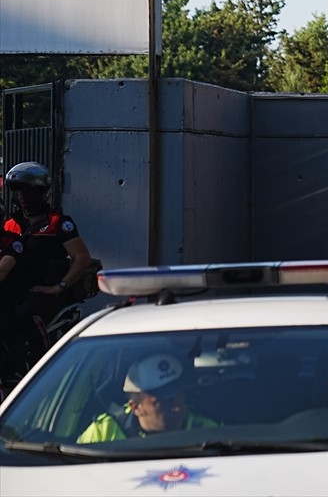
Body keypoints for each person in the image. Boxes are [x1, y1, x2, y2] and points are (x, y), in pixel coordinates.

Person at [0, 162, 93, 365]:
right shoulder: (10, 224)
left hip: (45, 290)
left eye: (28, 190)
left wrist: (59, 286)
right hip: (16, 290)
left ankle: (42, 362)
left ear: (41, 191)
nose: (22, 195)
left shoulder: (58, 223)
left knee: (27, 313)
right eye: (17, 190)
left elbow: (81, 258)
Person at [77, 353, 217, 442]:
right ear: (135, 407)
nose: (178, 407)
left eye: (179, 397)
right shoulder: (103, 432)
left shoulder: (206, 430)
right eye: (164, 402)